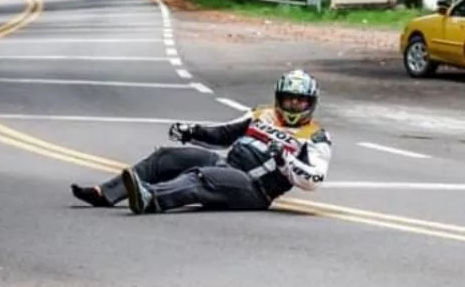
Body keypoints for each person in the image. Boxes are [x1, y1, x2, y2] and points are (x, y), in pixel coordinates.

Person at [69, 69, 332, 215]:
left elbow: (314, 180)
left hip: (254, 189)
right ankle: (106, 193)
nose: (294, 105)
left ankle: (151, 198)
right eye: (289, 99)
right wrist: (191, 131)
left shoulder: (316, 136)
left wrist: (285, 161)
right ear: (279, 98)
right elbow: (223, 134)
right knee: (168, 157)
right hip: (227, 164)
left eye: (300, 101)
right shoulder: (261, 114)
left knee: (203, 176)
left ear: (310, 103)